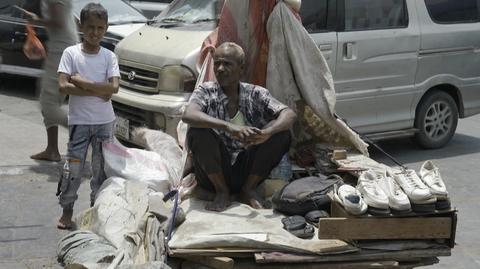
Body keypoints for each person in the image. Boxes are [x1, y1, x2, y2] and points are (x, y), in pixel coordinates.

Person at [182, 42, 297, 212]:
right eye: (217, 63)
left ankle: (248, 190)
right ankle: (222, 192)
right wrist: (229, 127)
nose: (220, 69)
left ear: (241, 69)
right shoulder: (206, 91)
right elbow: (188, 115)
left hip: (246, 172)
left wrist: (266, 133)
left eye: (227, 64)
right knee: (197, 131)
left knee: (282, 134)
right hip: (213, 173)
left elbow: (289, 114)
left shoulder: (255, 93)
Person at [56, 3, 120, 229]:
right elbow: (63, 85)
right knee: (73, 168)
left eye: (100, 28)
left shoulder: (109, 56)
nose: (95, 32)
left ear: (106, 28)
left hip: (104, 123)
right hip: (79, 123)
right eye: (90, 27)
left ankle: (96, 212)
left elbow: (114, 89)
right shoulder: (71, 53)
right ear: (81, 26)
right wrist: (97, 90)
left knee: (101, 171)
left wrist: (82, 82)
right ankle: (67, 210)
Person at [24, 0, 79, 162]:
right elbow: (69, 19)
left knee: (48, 105)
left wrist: (36, 19)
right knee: (50, 101)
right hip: (64, 48)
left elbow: (60, 22)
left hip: (61, 52)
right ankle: (52, 150)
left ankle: (87, 133)